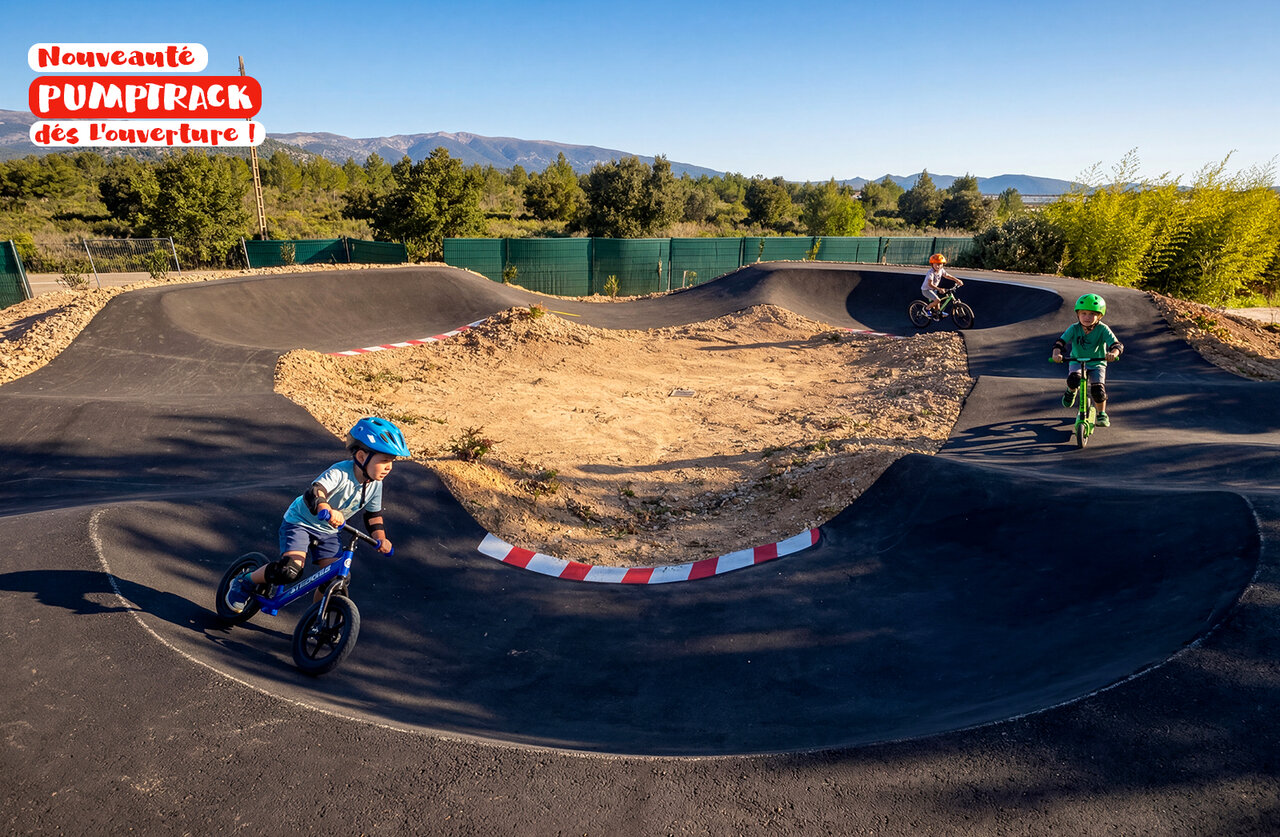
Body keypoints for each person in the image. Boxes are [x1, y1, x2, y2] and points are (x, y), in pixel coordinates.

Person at [224, 417, 411, 612]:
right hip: (300, 523)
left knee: (336, 577)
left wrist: (381, 538)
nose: (389, 467)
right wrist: (325, 508)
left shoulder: (375, 485)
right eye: (384, 461)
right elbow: (316, 491)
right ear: (363, 457)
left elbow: (373, 515)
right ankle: (243, 582)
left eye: (392, 461)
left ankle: (316, 619)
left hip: (328, 532)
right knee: (290, 570)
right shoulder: (340, 472)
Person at [1051, 293, 1124, 427]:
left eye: (1092, 314)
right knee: (1074, 379)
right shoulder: (1074, 328)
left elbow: (1117, 345)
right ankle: (1071, 391)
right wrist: (1056, 354)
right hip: (1077, 361)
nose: (1087, 317)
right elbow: (1060, 342)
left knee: (1098, 390)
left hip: (1097, 363)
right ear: (1077, 314)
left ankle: (1101, 413)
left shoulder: (1103, 329)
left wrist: (1113, 353)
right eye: (1083, 313)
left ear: (1099, 316)